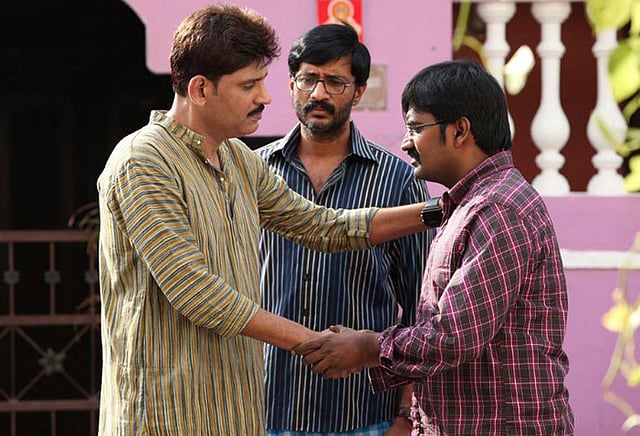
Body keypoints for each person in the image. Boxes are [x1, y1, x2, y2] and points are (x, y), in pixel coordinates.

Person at [96, 4, 433, 435]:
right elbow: (199, 293)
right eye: (249, 85)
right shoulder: (143, 161)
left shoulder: (238, 159)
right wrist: (316, 344)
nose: (265, 97)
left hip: (236, 413)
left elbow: (323, 225)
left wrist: (441, 209)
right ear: (200, 89)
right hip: (166, 416)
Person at [294, 59, 575, 435]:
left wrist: (368, 347)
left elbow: (453, 335)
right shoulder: (468, 205)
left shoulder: (498, 208)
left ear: (460, 130)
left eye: (416, 128)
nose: (406, 143)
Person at [257, 24, 431, 436]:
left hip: (363, 413)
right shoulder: (253, 172)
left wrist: (406, 414)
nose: (318, 93)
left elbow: (421, 304)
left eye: (335, 82)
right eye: (308, 79)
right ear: (291, 84)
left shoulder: (397, 181)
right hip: (264, 407)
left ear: (358, 91)